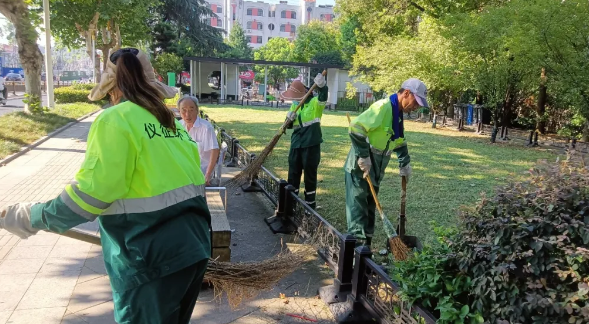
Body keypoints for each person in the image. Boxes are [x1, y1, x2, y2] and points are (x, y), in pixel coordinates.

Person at [0, 48, 211, 324]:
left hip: (150, 260)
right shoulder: (172, 124)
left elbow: (87, 197)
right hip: (193, 249)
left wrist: (29, 216)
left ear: (112, 90)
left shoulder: (115, 120)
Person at [344, 78, 428, 247]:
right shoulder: (383, 107)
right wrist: (363, 155)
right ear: (406, 93)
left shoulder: (397, 114)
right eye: (416, 102)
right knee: (358, 213)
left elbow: (398, 141)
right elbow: (355, 128)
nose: (416, 107)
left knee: (369, 211)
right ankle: (355, 258)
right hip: (360, 168)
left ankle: (365, 251)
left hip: (376, 169)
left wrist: (404, 162)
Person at [281, 73, 328, 209]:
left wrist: (323, 87)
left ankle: (309, 206)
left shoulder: (315, 103)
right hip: (296, 143)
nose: (292, 100)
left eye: (294, 97)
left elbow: (323, 96)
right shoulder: (295, 104)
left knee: (310, 175)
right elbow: (288, 125)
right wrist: (288, 120)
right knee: (293, 173)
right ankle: (291, 205)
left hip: (311, 144)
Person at [178, 95, 220, 186]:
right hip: (183, 171)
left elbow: (215, 150)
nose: (187, 114)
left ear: (197, 110)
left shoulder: (206, 128)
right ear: (179, 111)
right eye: (184, 110)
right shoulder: (178, 126)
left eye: (191, 110)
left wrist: (208, 174)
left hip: (201, 172)